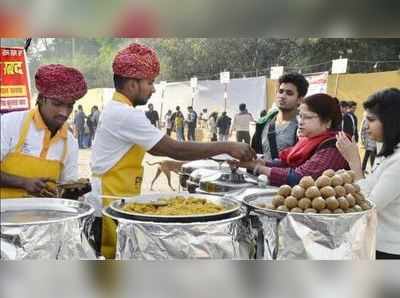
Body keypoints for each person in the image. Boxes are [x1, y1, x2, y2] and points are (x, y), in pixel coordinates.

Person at [89, 43, 256, 258]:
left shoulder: (117, 109)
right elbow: (174, 149)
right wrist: (228, 146)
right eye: (150, 83)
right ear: (132, 84)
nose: (153, 89)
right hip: (109, 201)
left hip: (115, 196)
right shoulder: (125, 114)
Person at [1, 64, 87, 198]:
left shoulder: (70, 142)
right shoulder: (9, 124)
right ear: (41, 99)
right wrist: (23, 182)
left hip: (45, 217)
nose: (64, 113)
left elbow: (67, 187)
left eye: (70, 106)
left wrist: (73, 192)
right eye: (57, 104)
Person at [336, 88, 400, 259]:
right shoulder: (390, 154)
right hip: (375, 242)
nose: (365, 126)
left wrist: (355, 165)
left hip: (388, 250)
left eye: (371, 120)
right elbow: (369, 187)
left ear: (390, 121)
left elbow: (369, 206)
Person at [237, 93, 348, 186]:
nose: (301, 121)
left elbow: (300, 177)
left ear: (328, 122)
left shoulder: (334, 146)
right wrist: (259, 162)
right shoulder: (308, 140)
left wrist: (258, 168)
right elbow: (289, 164)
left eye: (308, 117)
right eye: (300, 116)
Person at [251, 73, 309, 160]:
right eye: (281, 91)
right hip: (261, 173)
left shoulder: (304, 127)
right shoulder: (263, 123)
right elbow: (255, 155)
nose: (282, 96)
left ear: (300, 99)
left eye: (289, 93)